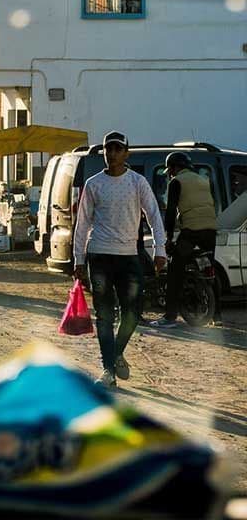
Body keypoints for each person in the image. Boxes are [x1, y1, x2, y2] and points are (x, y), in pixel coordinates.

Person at [73, 131, 167, 389]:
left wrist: (160, 250)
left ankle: (115, 354)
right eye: (108, 149)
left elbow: (154, 216)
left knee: (133, 313)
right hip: (100, 256)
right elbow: (82, 224)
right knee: (104, 316)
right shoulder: (93, 184)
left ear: (126, 153)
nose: (112, 153)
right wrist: (78, 259)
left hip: (128, 257)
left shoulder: (137, 183)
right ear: (103, 152)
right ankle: (108, 370)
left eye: (117, 149)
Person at [150, 151, 219, 328]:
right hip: (210, 231)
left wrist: (169, 237)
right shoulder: (203, 181)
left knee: (175, 271)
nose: (170, 174)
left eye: (170, 170)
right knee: (209, 269)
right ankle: (216, 314)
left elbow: (171, 211)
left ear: (174, 167)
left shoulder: (176, 182)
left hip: (192, 231)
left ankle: (170, 317)